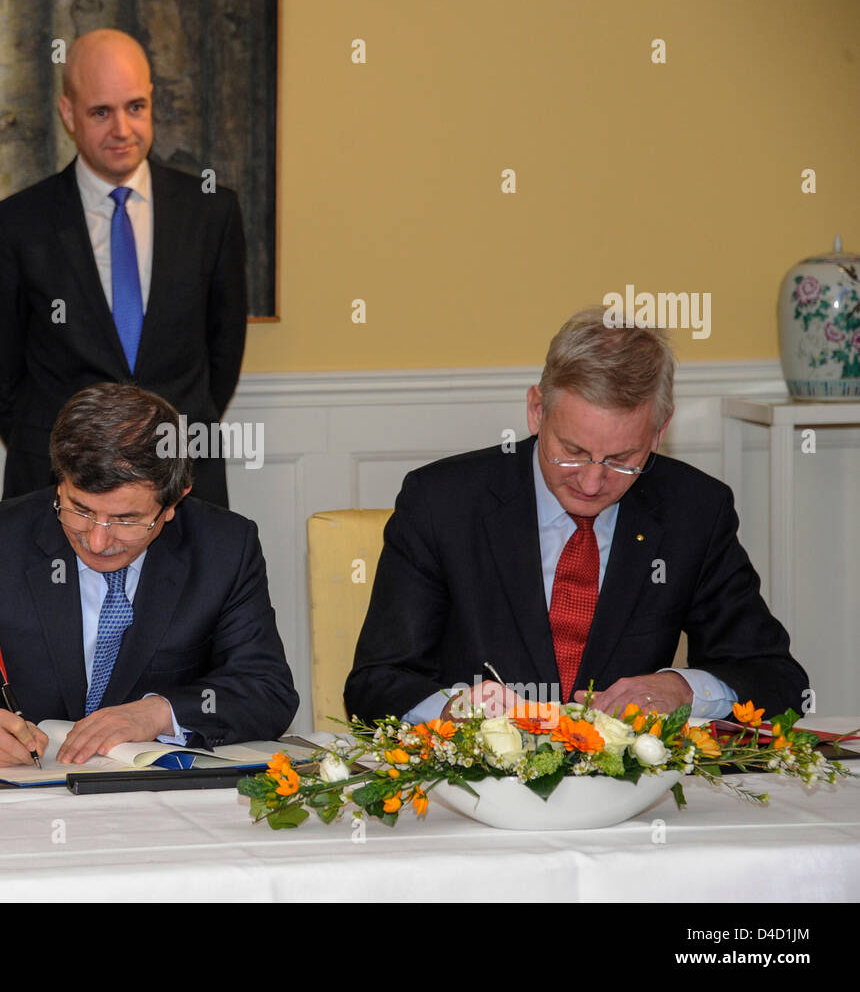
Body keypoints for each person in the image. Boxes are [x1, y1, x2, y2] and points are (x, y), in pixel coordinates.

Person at [344, 309, 808, 725]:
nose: (590, 482)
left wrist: (682, 689)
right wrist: (456, 710)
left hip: (629, 802)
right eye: (572, 451)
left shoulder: (694, 510)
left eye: (622, 459)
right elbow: (375, 684)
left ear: (660, 432)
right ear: (536, 410)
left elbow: (776, 679)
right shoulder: (442, 503)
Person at [0, 383, 297, 766]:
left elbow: (266, 689)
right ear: (59, 482)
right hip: (10, 801)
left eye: (127, 520)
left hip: (152, 802)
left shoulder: (224, 547)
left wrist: (159, 712)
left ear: (173, 502)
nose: (97, 541)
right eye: (80, 509)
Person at [0, 28, 247, 510]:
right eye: (101, 112)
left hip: (184, 483)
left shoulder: (211, 212)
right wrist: (65, 444)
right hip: (55, 487)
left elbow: (223, 353)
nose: (122, 128)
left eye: (135, 107)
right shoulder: (16, 223)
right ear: (68, 114)